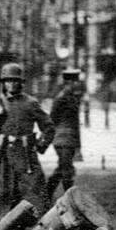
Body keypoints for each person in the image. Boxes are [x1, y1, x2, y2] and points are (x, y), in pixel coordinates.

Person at [0, 62, 54, 217]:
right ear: (3, 83)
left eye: (15, 80)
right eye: (8, 80)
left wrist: (40, 145)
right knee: (0, 199)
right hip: (0, 157)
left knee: (33, 197)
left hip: (25, 158)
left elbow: (49, 127)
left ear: (21, 83)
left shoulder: (30, 103)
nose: (12, 84)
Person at [46, 67, 84, 203]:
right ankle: (71, 200)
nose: (76, 84)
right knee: (66, 170)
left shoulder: (72, 98)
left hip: (69, 139)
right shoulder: (61, 98)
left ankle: (46, 194)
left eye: (76, 82)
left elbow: (76, 124)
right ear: (67, 83)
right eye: (73, 82)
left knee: (63, 168)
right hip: (62, 139)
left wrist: (79, 146)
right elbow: (52, 119)